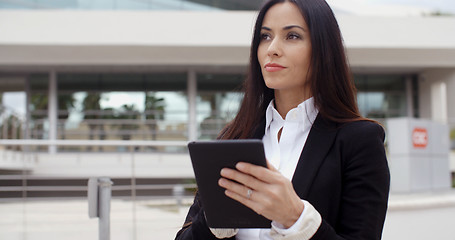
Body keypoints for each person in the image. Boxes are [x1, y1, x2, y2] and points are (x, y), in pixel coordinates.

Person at [175, 0, 390, 239]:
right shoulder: (235, 136)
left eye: (293, 36)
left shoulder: (359, 141)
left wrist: (296, 218)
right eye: (265, 37)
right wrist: (217, 219)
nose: (272, 49)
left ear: (323, 50)